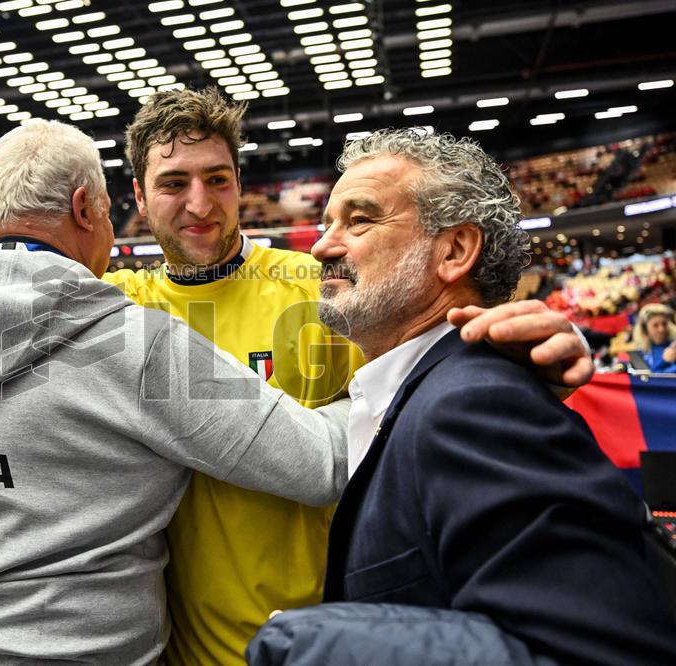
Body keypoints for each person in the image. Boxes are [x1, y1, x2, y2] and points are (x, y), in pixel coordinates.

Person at [0, 90, 593, 663]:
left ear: (241, 184)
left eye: (218, 178)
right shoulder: (115, 308)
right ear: (136, 202)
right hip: (173, 647)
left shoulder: (320, 287)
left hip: (317, 631)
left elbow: (422, 368)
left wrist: (516, 351)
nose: (201, 203)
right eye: (174, 184)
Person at [0, 119, 354, 664]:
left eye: (217, 180)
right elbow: (325, 462)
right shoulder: (134, 342)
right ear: (86, 207)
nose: (198, 203)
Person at [248, 129, 676, 665]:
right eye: (328, 221)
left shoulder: (474, 408)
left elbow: (599, 652)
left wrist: (320, 642)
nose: (321, 246)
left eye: (358, 220)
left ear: (453, 250)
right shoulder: (426, 394)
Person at [632, 303, 676, 372]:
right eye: (655, 325)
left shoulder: (674, 346)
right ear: (645, 329)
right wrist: (664, 361)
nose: (661, 329)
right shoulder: (640, 352)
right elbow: (647, 378)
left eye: (664, 324)